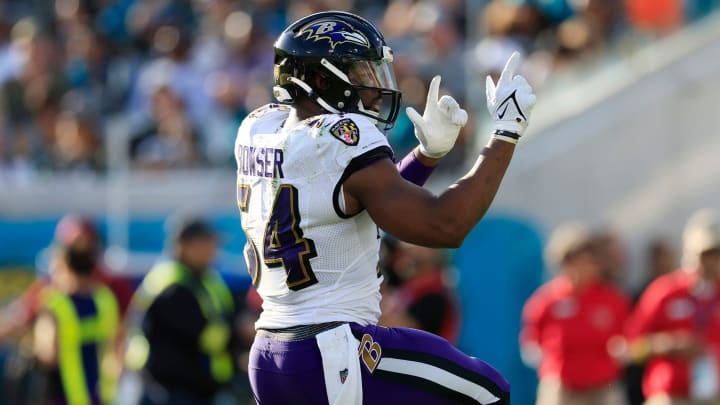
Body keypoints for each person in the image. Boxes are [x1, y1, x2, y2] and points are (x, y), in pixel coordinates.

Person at [235, 10, 536, 404]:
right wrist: (505, 133)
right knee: (487, 391)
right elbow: (445, 226)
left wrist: (427, 156)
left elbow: (356, 202)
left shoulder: (262, 129)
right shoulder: (343, 138)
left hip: (271, 353)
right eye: (361, 74)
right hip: (331, 348)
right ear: (322, 80)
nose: (374, 88)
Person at [123, 218, 238, 405]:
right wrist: (240, 332)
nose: (213, 249)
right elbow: (206, 334)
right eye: (207, 243)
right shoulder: (171, 284)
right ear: (185, 245)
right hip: (166, 389)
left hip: (193, 389)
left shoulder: (204, 277)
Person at [520, 223, 631, 405]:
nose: (584, 268)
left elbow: (628, 338)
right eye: (577, 261)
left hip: (602, 387)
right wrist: (549, 363)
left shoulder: (613, 300)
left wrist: (621, 352)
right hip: (561, 387)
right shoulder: (547, 299)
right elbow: (531, 342)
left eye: (589, 262)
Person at [624, 209, 720, 405]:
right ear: (689, 253)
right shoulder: (665, 291)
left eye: (716, 253)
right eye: (706, 254)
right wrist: (668, 345)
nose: (711, 262)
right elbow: (629, 347)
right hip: (670, 396)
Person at [33, 242, 121, 405]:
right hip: (101, 396)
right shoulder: (105, 299)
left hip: (64, 396)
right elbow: (117, 347)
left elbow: (48, 355)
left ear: (64, 266)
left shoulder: (56, 304)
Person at [379, 242, 460, 344]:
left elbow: (400, 333)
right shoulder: (404, 285)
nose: (408, 247)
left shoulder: (435, 297)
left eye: (421, 244)